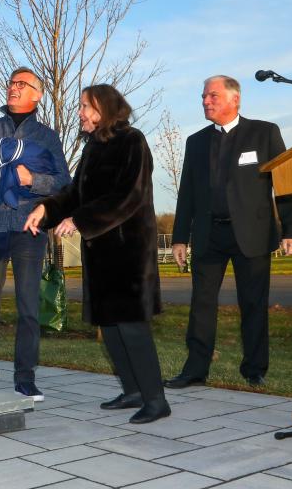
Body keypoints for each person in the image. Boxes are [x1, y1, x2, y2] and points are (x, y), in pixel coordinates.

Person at [25, 84, 170, 423]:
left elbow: (129, 196)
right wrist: (45, 211)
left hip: (128, 252)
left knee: (132, 326)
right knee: (111, 326)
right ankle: (133, 390)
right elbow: (75, 193)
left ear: (105, 109)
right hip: (101, 252)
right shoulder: (92, 149)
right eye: (80, 107)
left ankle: (156, 399)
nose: (80, 113)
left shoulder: (132, 141)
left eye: (86, 107)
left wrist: (81, 220)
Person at [165, 75, 292, 389]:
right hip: (208, 235)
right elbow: (186, 193)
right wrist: (178, 237)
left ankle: (254, 369)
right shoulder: (196, 142)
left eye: (212, 95)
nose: (206, 101)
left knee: (253, 304)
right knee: (201, 304)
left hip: (251, 235)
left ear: (234, 99)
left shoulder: (264, 133)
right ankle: (195, 370)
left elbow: (284, 184)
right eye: (203, 96)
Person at [0, 68, 70, 399]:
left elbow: (63, 181)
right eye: (11, 83)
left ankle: (25, 377)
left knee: (28, 307)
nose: (14, 88)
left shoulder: (47, 137)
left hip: (28, 229)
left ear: (38, 94)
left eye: (22, 84)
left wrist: (30, 181)